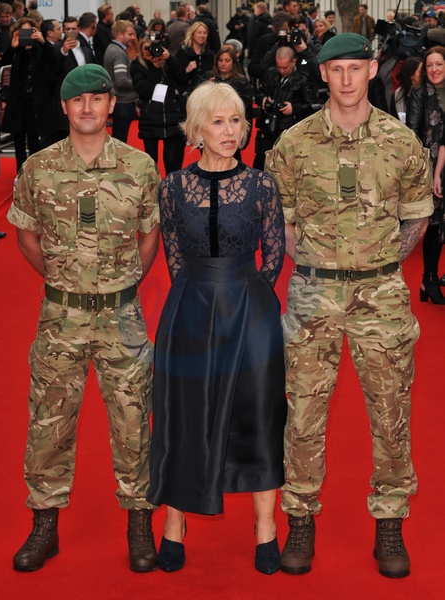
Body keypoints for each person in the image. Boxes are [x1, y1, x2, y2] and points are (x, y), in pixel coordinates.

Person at [265, 33, 433, 578]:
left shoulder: (400, 141)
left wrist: (378, 263)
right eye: (335, 69)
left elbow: (417, 216)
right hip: (313, 295)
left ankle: (390, 522)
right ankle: (301, 519)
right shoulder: (294, 144)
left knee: (390, 412)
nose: (345, 79)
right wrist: (321, 264)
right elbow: (282, 222)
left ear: (371, 70)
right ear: (322, 74)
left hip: (381, 297)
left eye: (355, 69)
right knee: (303, 413)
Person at [7, 64, 161, 573]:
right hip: (61, 317)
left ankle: (139, 523)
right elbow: (26, 235)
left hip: (122, 318)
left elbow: (149, 237)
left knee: (134, 421)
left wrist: (122, 285)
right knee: (48, 422)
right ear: (65, 108)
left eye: (97, 99)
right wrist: (63, 280)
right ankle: (44, 525)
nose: (88, 108)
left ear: (111, 105)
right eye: (78, 101)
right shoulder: (39, 167)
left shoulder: (139, 167)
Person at [148, 81, 287, 575]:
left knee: (259, 415)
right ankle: (174, 523)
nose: (230, 131)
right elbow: (174, 255)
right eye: (218, 121)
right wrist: (200, 294)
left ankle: (266, 528)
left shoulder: (261, 186)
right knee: (185, 414)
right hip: (189, 309)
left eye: (236, 121)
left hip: (251, 312)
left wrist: (247, 296)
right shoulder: (171, 188)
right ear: (196, 130)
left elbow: (273, 257)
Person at [407, 46, 445, 303]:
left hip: (444, 158)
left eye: (439, 64)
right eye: (429, 65)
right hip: (430, 167)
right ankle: (428, 278)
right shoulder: (420, 93)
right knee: (434, 223)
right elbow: (412, 134)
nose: (434, 69)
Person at [0, 17, 57, 171]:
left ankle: (34, 173)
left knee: (34, 141)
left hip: (35, 103)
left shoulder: (40, 49)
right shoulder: (16, 50)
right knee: (18, 141)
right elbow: (3, 62)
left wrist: (43, 42)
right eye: (23, 31)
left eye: (30, 31)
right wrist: (13, 47)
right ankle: (20, 173)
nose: (27, 35)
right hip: (18, 103)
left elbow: (53, 60)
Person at [130, 34, 186, 175]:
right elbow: (144, 90)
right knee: (151, 162)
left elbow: (182, 78)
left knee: (171, 161)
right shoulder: (137, 66)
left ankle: (171, 187)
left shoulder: (168, 63)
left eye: (154, 47)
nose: (151, 51)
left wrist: (170, 59)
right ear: (140, 49)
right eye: (146, 48)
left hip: (171, 117)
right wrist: (154, 69)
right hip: (150, 119)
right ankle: (152, 187)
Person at [254, 45, 316, 170]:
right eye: (279, 67)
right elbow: (258, 93)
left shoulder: (303, 79)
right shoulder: (270, 73)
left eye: (285, 67)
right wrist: (263, 99)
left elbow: (312, 106)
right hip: (268, 127)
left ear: (293, 62)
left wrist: (294, 108)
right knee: (262, 161)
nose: (282, 70)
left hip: (290, 129)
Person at [202, 46, 253, 159]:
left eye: (227, 60)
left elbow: (246, 110)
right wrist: (208, 87)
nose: (223, 64)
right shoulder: (207, 78)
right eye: (220, 60)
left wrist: (245, 134)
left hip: (232, 127)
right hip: (212, 127)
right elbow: (199, 104)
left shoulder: (241, 82)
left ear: (233, 62)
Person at [103, 19, 138, 142]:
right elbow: (121, 81)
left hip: (120, 101)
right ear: (119, 34)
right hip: (123, 102)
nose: (133, 37)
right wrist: (139, 84)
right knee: (120, 141)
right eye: (130, 34)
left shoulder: (113, 49)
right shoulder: (119, 53)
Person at [174, 21, 214, 98]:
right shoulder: (182, 52)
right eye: (199, 32)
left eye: (205, 33)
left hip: (205, 94)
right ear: (192, 34)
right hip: (185, 95)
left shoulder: (209, 54)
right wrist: (186, 70)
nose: (202, 35)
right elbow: (174, 73)